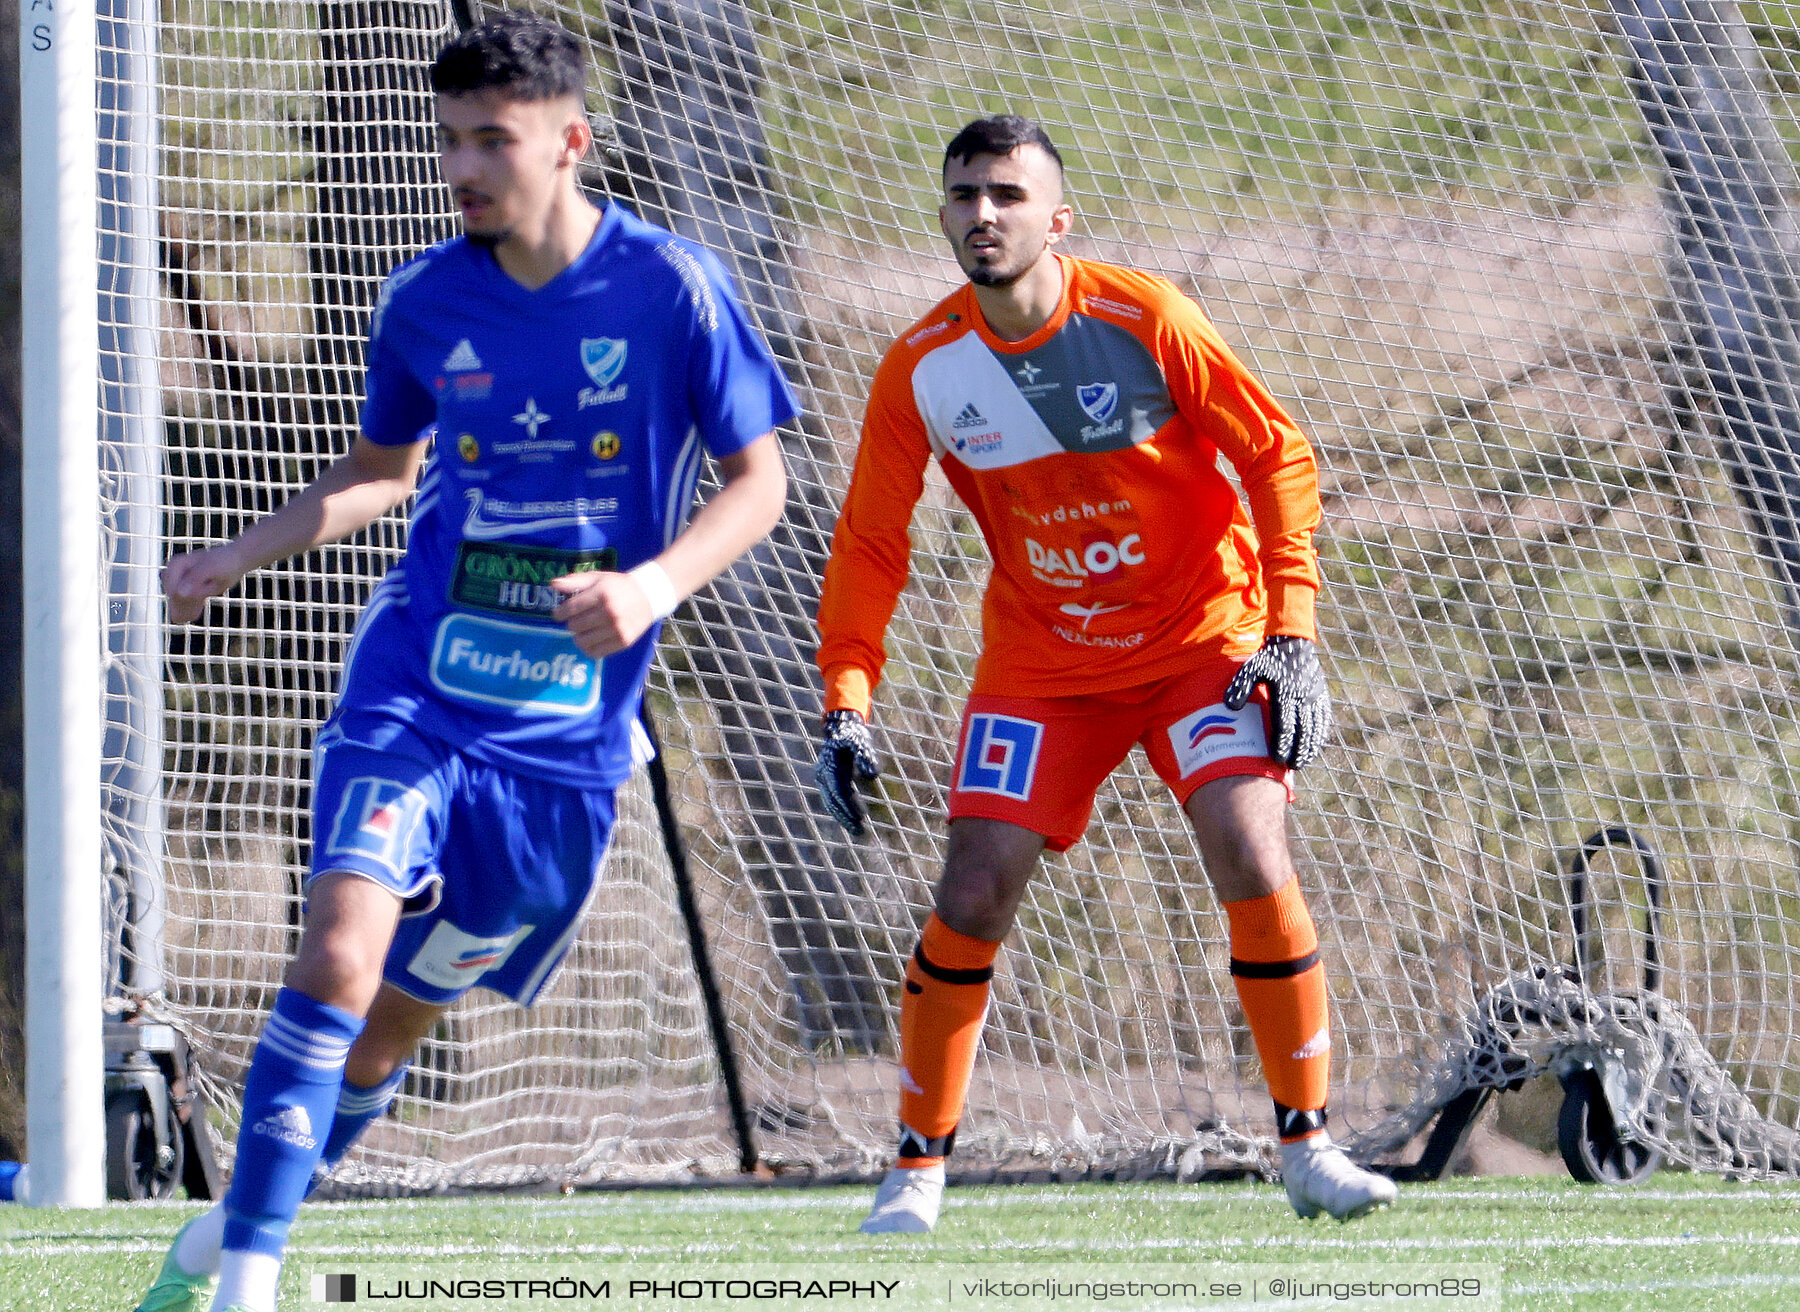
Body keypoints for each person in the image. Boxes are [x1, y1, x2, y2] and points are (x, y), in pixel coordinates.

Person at [132, 13, 796, 1312]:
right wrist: (238, 552)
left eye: (492, 139)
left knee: (389, 1025)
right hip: (417, 691)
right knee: (336, 953)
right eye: (451, 141)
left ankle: (233, 1228)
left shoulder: (671, 290)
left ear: (569, 141)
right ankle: (249, 1277)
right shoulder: (429, 298)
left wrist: (654, 583)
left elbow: (759, 485)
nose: (465, 167)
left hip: (562, 747)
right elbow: (382, 477)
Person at [813, 114, 1397, 1234]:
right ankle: (917, 1169)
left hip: (1202, 643)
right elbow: (871, 543)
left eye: (1007, 196)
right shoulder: (923, 367)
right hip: (1045, 666)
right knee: (972, 889)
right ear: (943, 215)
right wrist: (848, 695)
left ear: (1057, 219)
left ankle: (1309, 1147)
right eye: (963, 196)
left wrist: (1293, 631)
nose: (983, 215)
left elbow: (1276, 454)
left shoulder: (1144, 318)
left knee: (1251, 842)